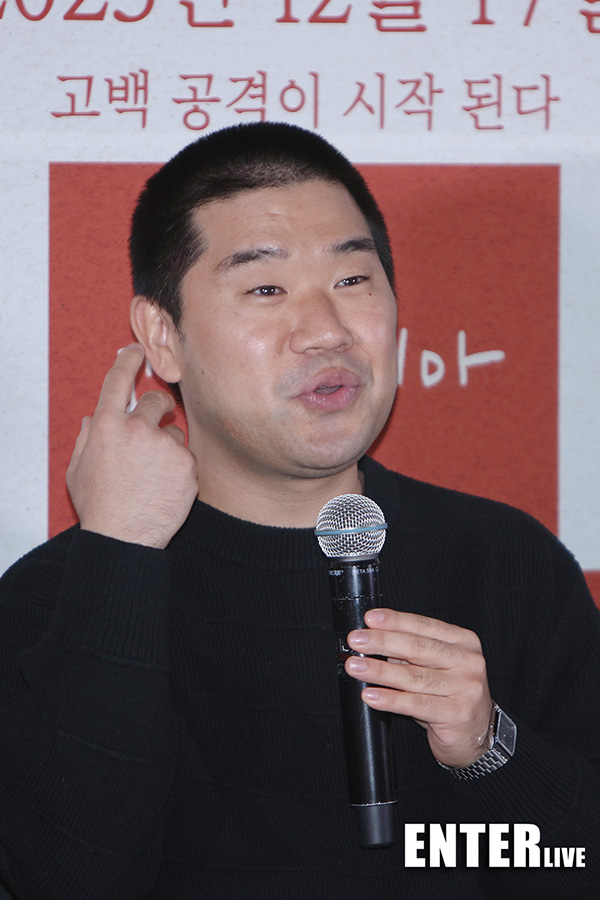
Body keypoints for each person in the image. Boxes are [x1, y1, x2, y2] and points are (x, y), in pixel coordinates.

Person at [0, 122, 598, 900]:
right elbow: (68, 879)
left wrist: (489, 751)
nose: (326, 331)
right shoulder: (57, 601)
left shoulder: (506, 563)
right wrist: (120, 555)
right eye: (266, 289)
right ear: (162, 336)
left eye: (353, 280)